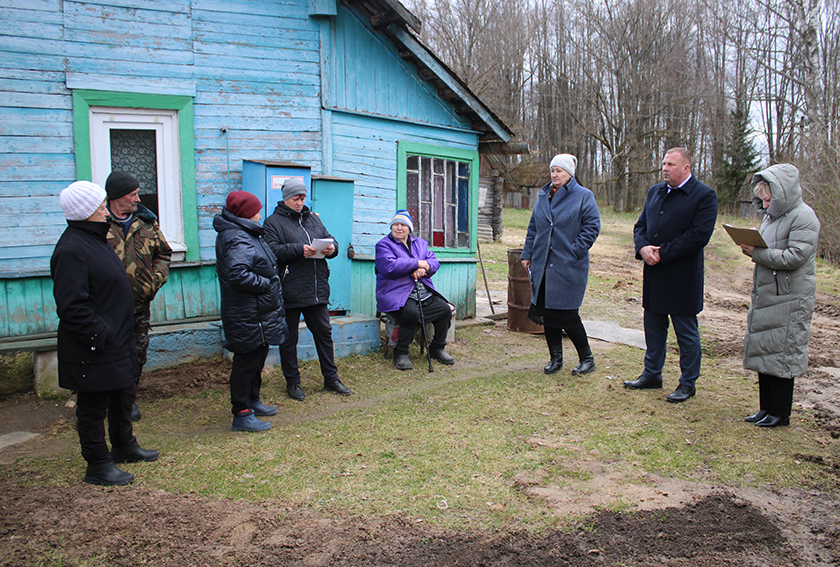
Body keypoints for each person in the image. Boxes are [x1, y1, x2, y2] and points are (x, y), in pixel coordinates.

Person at [51, 181, 158, 486]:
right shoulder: (71, 249)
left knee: (123, 395)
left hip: (117, 340)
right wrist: (102, 335)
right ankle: (97, 463)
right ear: (85, 213)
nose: (105, 210)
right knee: (93, 406)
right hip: (95, 346)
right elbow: (72, 307)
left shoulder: (96, 239)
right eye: (100, 206)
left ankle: (124, 445)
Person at [624, 147, 718, 402]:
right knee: (653, 328)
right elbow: (640, 226)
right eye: (664, 163)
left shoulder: (704, 195)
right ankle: (652, 373)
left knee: (685, 332)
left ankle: (688, 383)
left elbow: (699, 236)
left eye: (671, 164)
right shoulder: (655, 191)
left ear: (686, 168)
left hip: (682, 277)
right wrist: (642, 248)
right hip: (654, 274)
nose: (665, 168)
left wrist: (662, 253)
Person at [741, 164, 820, 428]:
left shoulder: (804, 217)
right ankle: (766, 408)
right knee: (765, 349)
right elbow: (766, 249)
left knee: (783, 352)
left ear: (782, 193)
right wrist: (750, 248)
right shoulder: (771, 218)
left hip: (790, 296)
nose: (765, 203)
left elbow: (795, 256)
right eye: (762, 199)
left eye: (768, 198)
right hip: (767, 293)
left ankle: (781, 412)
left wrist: (756, 252)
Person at [263, 179, 351, 400]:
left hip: (316, 288)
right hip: (290, 288)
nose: (300, 203)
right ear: (286, 198)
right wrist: (298, 250)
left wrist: (331, 248)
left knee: (324, 334)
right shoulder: (272, 222)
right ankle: (293, 383)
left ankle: (331, 379)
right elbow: (270, 251)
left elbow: (331, 241)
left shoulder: (313, 219)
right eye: (296, 198)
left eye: (302, 198)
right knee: (288, 338)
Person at [214, 191, 288, 432]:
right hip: (246, 313)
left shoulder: (247, 233)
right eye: (256, 210)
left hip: (259, 312)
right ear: (246, 213)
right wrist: (268, 285)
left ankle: (253, 400)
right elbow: (238, 274)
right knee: (246, 362)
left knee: (258, 357)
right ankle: (242, 412)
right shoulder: (237, 237)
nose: (259, 214)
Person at [520, 154, 601, 376]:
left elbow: (592, 227)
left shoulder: (584, 196)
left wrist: (574, 250)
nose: (555, 175)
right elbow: (533, 227)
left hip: (569, 266)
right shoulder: (543, 195)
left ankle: (587, 359)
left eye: (559, 171)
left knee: (568, 314)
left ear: (570, 173)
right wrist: (527, 254)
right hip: (543, 265)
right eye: (553, 170)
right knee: (547, 313)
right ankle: (556, 358)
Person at [104, 170, 172, 422]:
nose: (138, 199)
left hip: (139, 305)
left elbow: (164, 254)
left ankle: (127, 400)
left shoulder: (146, 223)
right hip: (108, 308)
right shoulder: (99, 224)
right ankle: (109, 400)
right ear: (116, 197)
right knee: (110, 354)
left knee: (137, 354)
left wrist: (155, 281)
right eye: (132, 194)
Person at [375, 210, 455, 371]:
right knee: (411, 314)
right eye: (396, 225)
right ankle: (401, 352)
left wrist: (424, 269)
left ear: (409, 228)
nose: (399, 228)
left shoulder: (420, 243)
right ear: (391, 228)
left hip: (422, 291)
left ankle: (437, 348)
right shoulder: (383, 245)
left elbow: (433, 262)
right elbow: (389, 267)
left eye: (403, 225)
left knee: (444, 310)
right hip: (396, 292)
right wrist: (417, 263)